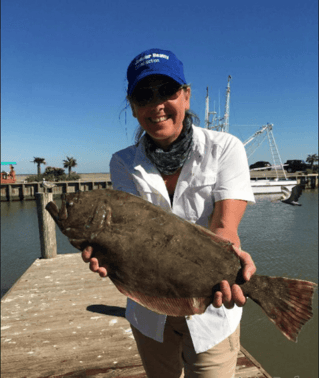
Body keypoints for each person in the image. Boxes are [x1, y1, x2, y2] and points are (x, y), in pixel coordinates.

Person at [82, 48, 256, 378]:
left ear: (186, 96)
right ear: (133, 108)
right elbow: (132, 237)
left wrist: (229, 262)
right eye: (144, 95)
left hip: (213, 310)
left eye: (167, 90)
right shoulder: (122, 162)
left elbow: (223, 227)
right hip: (150, 311)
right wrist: (110, 255)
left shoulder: (226, 148)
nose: (157, 104)